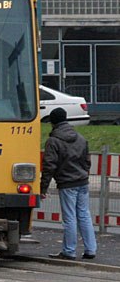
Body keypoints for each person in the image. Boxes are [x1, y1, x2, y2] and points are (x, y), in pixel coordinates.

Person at [41, 107, 97, 260]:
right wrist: (83, 173)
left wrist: (43, 188)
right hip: (82, 181)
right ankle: (91, 249)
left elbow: (49, 166)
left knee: (69, 218)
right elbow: (87, 161)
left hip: (67, 184)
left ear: (53, 122)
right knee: (84, 215)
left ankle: (69, 251)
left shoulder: (53, 141)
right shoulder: (80, 138)